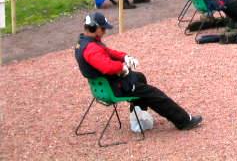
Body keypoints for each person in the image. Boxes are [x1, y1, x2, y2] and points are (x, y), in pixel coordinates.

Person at [74, 12, 202, 130]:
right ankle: (184, 121)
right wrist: (122, 67)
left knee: (139, 77)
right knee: (155, 94)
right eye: (102, 29)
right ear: (93, 28)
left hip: (106, 84)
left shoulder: (84, 42)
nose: (104, 32)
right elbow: (107, 67)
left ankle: (139, 115)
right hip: (114, 87)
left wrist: (124, 57)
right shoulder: (91, 49)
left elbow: (107, 52)